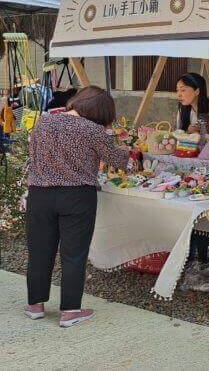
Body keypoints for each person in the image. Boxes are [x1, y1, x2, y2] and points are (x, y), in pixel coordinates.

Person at [25, 86, 131, 327]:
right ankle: (70, 311)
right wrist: (128, 150)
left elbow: (33, 154)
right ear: (101, 111)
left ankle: (35, 305)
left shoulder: (44, 121)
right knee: (74, 254)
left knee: (39, 250)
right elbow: (117, 160)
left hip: (40, 193)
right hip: (77, 195)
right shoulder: (93, 130)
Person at [174, 72, 209, 292]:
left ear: (197, 90)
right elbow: (180, 139)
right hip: (194, 168)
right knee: (195, 214)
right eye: (177, 90)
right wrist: (187, 133)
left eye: (183, 90)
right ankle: (196, 258)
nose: (179, 94)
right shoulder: (184, 111)